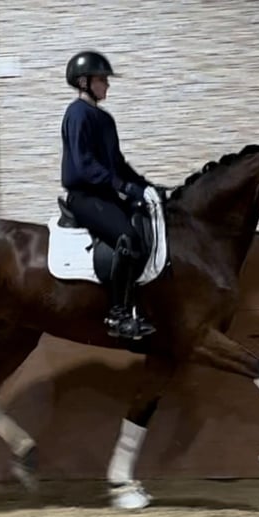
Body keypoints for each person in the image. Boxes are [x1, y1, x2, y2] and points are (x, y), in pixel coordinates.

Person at [60, 50, 158, 340]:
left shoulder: (104, 119)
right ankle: (119, 315)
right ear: (83, 82)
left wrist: (145, 186)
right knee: (127, 238)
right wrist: (124, 187)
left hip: (105, 195)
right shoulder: (77, 114)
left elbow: (117, 163)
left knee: (145, 223)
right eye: (102, 79)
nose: (107, 85)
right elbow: (84, 165)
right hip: (85, 197)